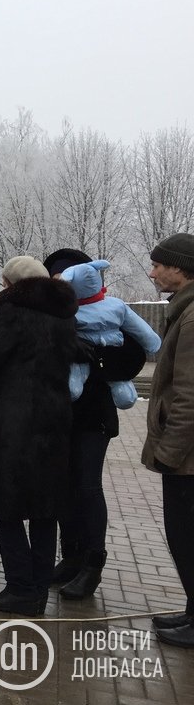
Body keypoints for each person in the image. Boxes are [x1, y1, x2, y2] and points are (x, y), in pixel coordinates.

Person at [0, 255, 77, 616]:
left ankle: (19, 588)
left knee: (6, 507)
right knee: (45, 511)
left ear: (12, 284)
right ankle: (39, 590)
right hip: (54, 424)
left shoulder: (12, 314)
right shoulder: (63, 318)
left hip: (13, 426)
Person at [43, 248, 146, 601]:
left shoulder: (108, 313)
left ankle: (92, 563)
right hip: (58, 415)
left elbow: (132, 357)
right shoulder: (49, 315)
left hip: (93, 415)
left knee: (87, 486)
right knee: (62, 486)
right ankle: (70, 556)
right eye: (55, 278)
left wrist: (94, 356)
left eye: (65, 276)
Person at [140, 233, 194, 648]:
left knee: (186, 535)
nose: (154, 271)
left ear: (181, 268)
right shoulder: (185, 310)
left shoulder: (193, 317)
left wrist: (170, 453)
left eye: (160, 264)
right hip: (185, 456)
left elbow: (189, 396)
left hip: (187, 458)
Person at [58, 259, 161, 409]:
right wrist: (153, 343)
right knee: (117, 378)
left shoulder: (70, 311)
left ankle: (71, 389)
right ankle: (125, 394)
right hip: (113, 353)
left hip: (84, 354)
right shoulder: (116, 305)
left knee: (73, 384)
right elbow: (138, 327)